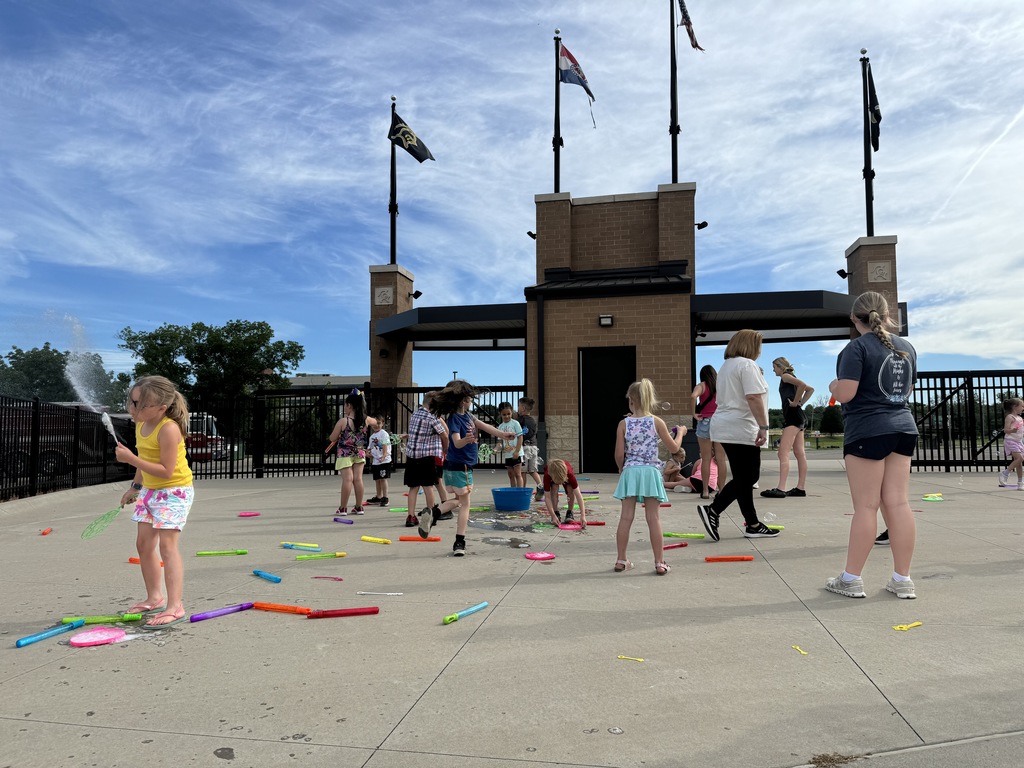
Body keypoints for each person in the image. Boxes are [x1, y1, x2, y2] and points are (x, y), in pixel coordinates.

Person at [825, 291, 919, 599]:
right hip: (903, 427)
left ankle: (851, 579)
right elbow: (904, 388)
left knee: (866, 506)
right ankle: (902, 579)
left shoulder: (856, 348)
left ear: (854, 318)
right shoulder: (907, 348)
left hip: (867, 430)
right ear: (886, 314)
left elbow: (848, 393)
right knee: (898, 503)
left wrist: (833, 386)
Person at [115, 375, 195, 628]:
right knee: (143, 544)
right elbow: (146, 457)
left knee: (167, 547)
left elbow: (166, 470)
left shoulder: (169, 428)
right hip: (150, 490)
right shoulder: (141, 424)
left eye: (140, 404)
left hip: (174, 491)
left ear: (161, 408)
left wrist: (130, 460)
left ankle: (175, 605)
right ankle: (155, 597)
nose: (133, 408)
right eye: (132, 401)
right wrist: (135, 486)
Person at [697, 330, 780, 543]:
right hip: (742, 427)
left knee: (742, 478)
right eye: (758, 346)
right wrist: (763, 426)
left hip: (724, 426)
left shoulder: (727, 366)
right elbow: (752, 397)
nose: (760, 351)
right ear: (751, 346)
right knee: (749, 477)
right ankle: (714, 510)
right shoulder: (746, 365)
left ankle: (752, 524)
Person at [418, 380, 509, 556]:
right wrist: (466, 441)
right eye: (469, 398)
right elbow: (456, 442)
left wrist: (503, 434)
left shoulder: (469, 416)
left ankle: (434, 512)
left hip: (455, 467)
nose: (471, 401)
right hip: (461, 466)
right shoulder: (454, 418)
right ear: (462, 400)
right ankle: (459, 542)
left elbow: (486, 426)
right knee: (465, 504)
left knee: (459, 500)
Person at [612, 379, 686, 575]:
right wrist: (681, 433)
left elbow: (619, 454)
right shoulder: (656, 421)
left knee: (626, 517)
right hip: (651, 471)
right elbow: (674, 448)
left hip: (630, 471)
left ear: (632, 400)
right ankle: (659, 563)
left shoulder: (623, 423)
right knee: (653, 518)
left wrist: (622, 469)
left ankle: (621, 560)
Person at [761, 357, 814, 498]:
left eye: (774, 367)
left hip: (793, 417)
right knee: (799, 453)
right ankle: (800, 488)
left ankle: (781, 488)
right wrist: (800, 403)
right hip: (799, 416)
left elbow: (803, 385)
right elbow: (810, 389)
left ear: (780, 366)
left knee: (782, 453)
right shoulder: (790, 377)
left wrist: (796, 402)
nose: (773, 370)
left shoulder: (785, 376)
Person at [402, 391, 449, 528]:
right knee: (428, 487)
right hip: (426, 457)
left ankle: (410, 517)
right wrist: (445, 449)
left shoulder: (415, 414)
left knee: (413, 488)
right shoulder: (432, 417)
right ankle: (429, 517)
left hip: (412, 457)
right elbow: (445, 435)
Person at [327, 390, 377, 516]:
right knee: (358, 479)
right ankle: (359, 507)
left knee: (347, 480)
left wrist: (340, 436)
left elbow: (332, 438)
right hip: (359, 452)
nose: (344, 407)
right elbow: (376, 422)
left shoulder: (344, 421)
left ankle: (343, 508)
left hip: (345, 453)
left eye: (345, 405)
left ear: (349, 405)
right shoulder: (366, 420)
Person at [691, 365, 728, 499]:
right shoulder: (721, 386)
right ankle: (722, 490)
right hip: (720, 422)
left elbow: (693, 396)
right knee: (721, 459)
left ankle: (705, 491)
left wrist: (694, 413)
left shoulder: (701, 385)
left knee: (706, 459)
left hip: (705, 421)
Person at [541, 458, 587, 525]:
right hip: (553, 475)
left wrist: (583, 515)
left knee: (570, 490)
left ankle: (570, 512)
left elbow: (578, 495)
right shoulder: (547, 475)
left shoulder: (570, 474)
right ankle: (556, 512)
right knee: (554, 489)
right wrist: (553, 515)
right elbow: (547, 497)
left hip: (565, 475)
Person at [517, 397, 544, 498]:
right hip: (533, 447)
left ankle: (522, 493)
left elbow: (519, 434)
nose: (518, 408)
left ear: (523, 408)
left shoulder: (520, 420)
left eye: (519, 406)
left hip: (524, 448)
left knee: (522, 471)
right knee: (533, 471)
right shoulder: (532, 420)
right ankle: (540, 486)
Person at [497, 401, 524, 487]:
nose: (507, 416)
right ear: (500, 414)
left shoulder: (515, 423)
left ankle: (519, 493)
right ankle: (513, 492)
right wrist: (496, 449)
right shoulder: (500, 427)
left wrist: (517, 451)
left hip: (516, 453)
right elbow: (500, 442)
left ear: (512, 412)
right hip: (508, 455)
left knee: (518, 474)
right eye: (504, 414)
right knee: (511, 475)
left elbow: (520, 437)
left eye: (509, 414)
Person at [998, 398, 1024, 489]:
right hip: (1011, 441)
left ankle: (1020, 483)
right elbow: (1005, 430)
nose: (1023, 408)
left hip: (1019, 441)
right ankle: (1005, 473)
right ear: (1014, 407)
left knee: (1019, 463)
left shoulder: (1020, 418)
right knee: (1020, 458)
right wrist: (1012, 430)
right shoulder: (1010, 417)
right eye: (1021, 406)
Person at [367, 415, 392, 508]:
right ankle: (378, 496)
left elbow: (385, 444)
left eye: (379, 423)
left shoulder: (384, 433)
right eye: (374, 423)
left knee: (383, 479)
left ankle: (385, 497)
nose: (376, 425)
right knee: (377, 479)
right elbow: (370, 447)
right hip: (376, 461)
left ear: (382, 423)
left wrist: (384, 455)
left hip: (384, 461)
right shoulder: (372, 437)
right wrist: (368, 453)